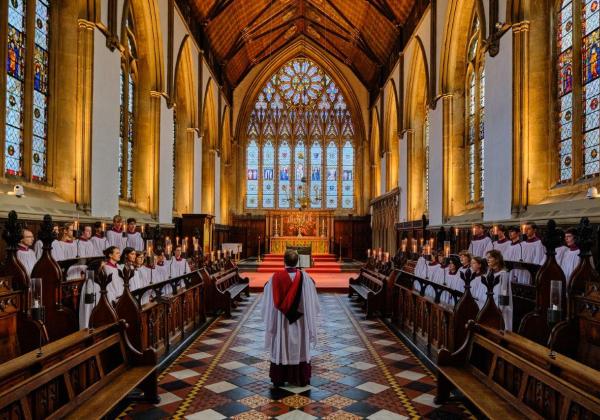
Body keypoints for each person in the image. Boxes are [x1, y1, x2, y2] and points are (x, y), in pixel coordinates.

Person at [262, 249, 320, 387]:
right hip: (300, 321)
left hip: (282, 321)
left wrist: (273, 322)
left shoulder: (274, 278)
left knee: (282, 344)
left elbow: (268, 304)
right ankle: (301, 376)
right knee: (300, 345)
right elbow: (314, 305)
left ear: (284, 261)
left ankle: (280, 377)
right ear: (297, 261)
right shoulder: (306, 279)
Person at [486, 250, 514, 331]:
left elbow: (504, 292)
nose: (487, 259)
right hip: (490, 305)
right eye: (487, 258)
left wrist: (500, 309)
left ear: (497, 259)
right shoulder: (490, 273)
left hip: (500, 308)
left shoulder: (503, 274)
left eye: (490, 257)